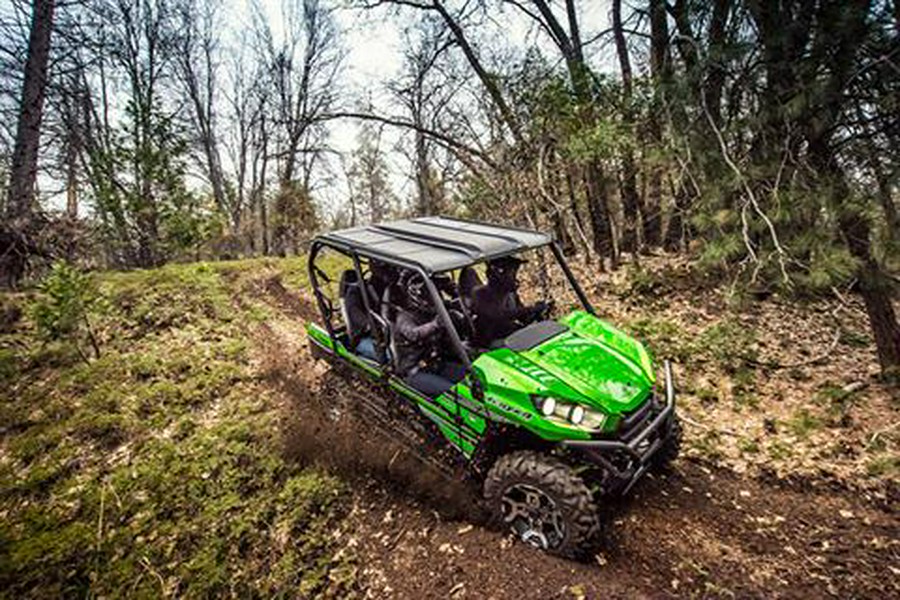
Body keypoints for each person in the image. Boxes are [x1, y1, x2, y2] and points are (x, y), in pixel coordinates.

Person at [393, 270, 466, 396]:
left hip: (437, 364)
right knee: (456, 394)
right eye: (432, 297)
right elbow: (413, 334)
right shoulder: (404, 317)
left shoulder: (432, 311)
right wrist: (435, 324)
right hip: (415, 371)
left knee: (472, 377)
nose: (437, 300)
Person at [470, 255, 551, 347]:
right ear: (498, 274)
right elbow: (497, 314)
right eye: (512, 272)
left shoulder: (510, 294)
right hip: (492, 343)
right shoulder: (480, 293)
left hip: (512, 336)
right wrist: (530, 310)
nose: (515, 277)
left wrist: (537, 311)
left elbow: (522, 317)